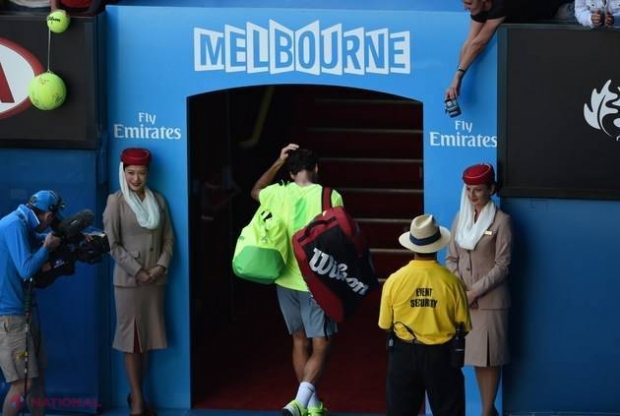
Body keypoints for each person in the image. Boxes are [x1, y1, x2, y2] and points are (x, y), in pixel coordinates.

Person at [250, 143, 343, 416]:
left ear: (290, 174)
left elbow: (254, 191)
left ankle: (312, 407)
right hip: (316, 281)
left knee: (299, 341)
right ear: (316, 169)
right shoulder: (330, 196)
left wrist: (278, 161)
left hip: (283, 280)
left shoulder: (276, 193)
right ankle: (300, 403)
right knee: (322, 344)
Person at [103, 147, 174, 416]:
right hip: (129, 283)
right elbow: (112, 244)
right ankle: (137, 403)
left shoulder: (158, 200)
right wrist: (138, 271)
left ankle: (138, 395)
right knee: (131, 342)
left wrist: (160, 267)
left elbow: (169, 239)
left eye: (141, 173)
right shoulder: (115, 201)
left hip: (155, 281)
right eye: (131, 173)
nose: (136, 179)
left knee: (146, 342)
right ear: (123, 172)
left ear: (148, 174)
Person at [378, 214, 472, 416]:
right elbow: (463, 325)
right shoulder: (452, 282)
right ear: (437, 245)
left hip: (404, 354)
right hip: (442, 356)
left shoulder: (395, 280)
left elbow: (385, 324)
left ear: (412, 246)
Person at [445, 163, 512, 416]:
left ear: (491, 190)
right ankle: (488, 410)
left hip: (491, 301)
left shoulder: (502, 221)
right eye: (468, 189)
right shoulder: (459, 218)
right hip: (465, 300)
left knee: (491, 358)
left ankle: (486, 411)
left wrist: (474, 292)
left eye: (478, 190)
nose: (472, 195)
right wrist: (461, 289)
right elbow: (451, 258)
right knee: (476, 358)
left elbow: (503, 265)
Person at [0, 190, 63, 416]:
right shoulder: (13, 225)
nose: (51, 224)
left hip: (24, 313)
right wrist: (46, 248)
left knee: (35, 379)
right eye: (52, 219)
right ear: (47, 215)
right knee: (22, 384)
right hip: (10, 317)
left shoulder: (22, 224)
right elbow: (26, 269)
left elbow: (39, 240)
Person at [445, 0, 574, 102]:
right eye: (464, 2)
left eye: (468, 3)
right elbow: (470, 42)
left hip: (561, 10)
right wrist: (456, 77)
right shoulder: (479, 7)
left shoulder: (502, 4)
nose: (465, 7)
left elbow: (479, 43)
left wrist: (459, 76)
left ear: (484, 0)